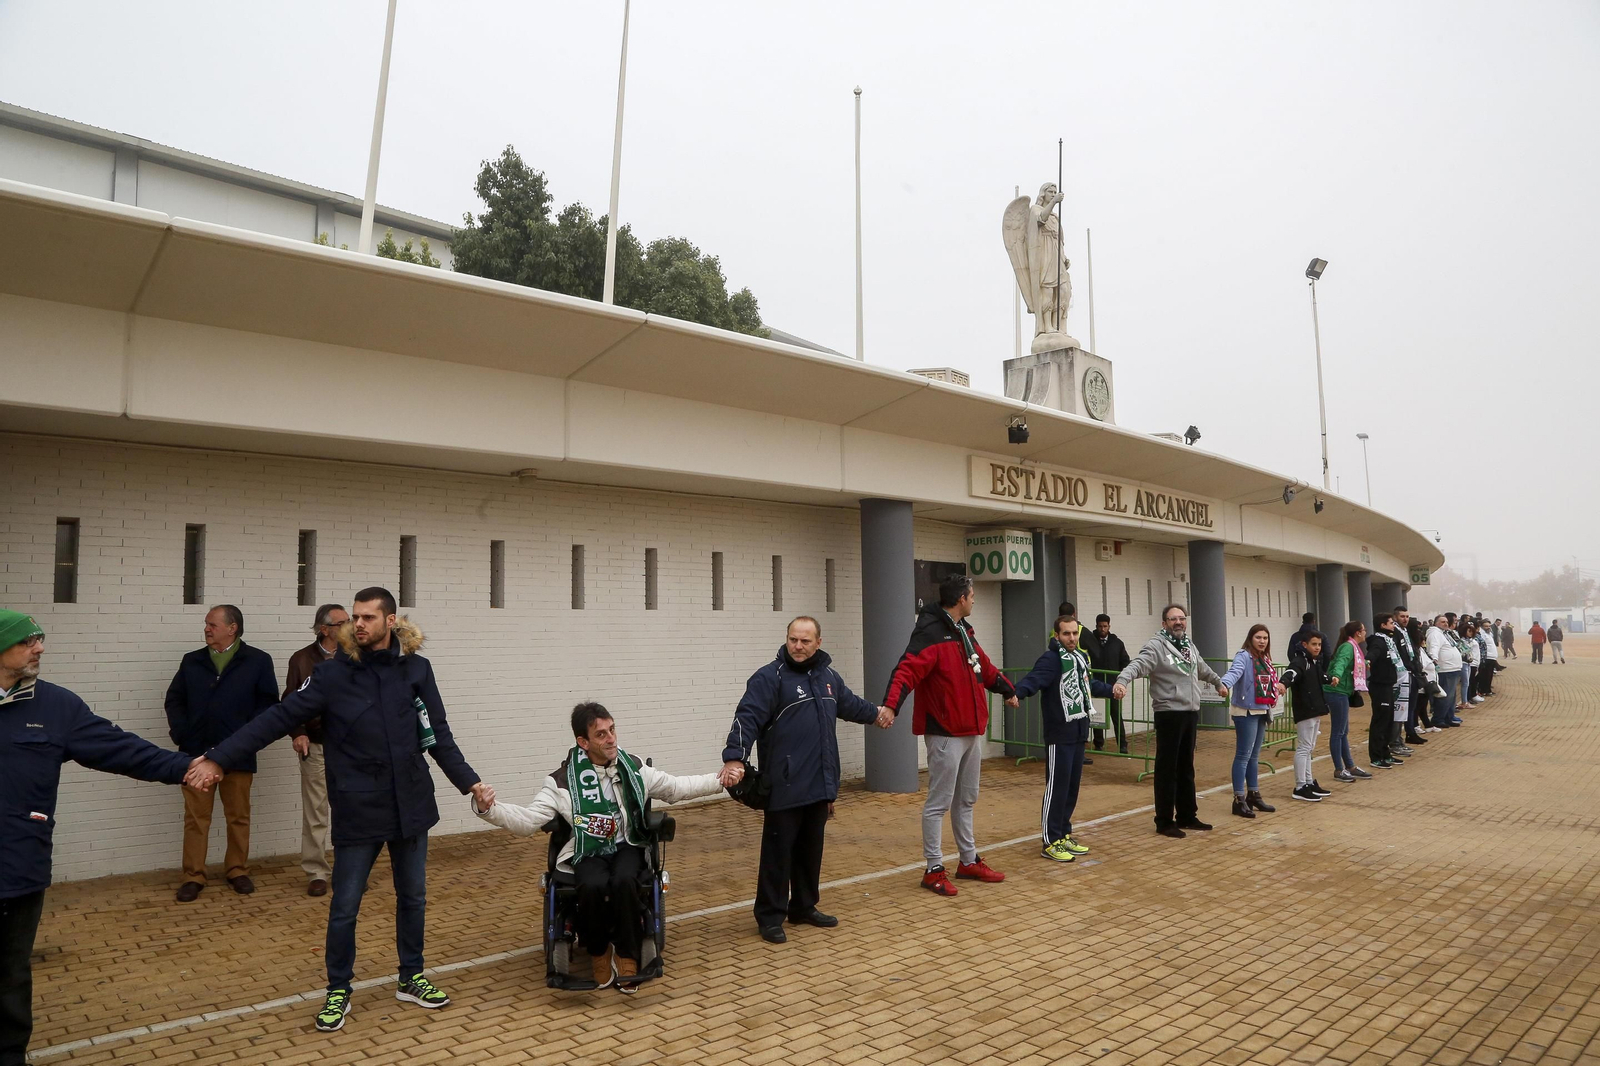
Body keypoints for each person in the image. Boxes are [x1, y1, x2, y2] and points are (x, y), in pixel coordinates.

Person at [185, 587, 495, 1033]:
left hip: (411, 802)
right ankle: (338, 989)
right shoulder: (332, 674)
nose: (358, 624)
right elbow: (275, 718)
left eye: (368, 617)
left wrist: (471, 783)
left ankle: (411, 977)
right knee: (346, 904)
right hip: (358, 805)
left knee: (413, 897)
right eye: (355, 617)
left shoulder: (416, 670)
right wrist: (219, 757)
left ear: (391, 621)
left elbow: (437, 735)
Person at [1, 611, 198, 1064]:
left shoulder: (56, 707)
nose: (40, 648)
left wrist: (187, 767)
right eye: (28, 641)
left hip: (18, 866)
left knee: (9, 975)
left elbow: (121, 749)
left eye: (39, 639)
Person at [476, 702, 725, 991]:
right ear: (583, 742)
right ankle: (599, 951)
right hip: (587, 849)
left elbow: (677, 788)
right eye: (601, 734)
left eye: (612, 730)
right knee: (592, 884)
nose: (611, 739)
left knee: (625, 880)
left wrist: (722, 781)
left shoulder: (633, 768)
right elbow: (528, 821)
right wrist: (489, 809)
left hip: (627, 844)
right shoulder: (561, 782)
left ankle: (627, 954)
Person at [723, 616, 888, 942]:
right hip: (784, 784)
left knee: (810, 850)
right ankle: (770, 916)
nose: (798, 646)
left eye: (805, 641)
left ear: (818, 643)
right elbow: (747, 717)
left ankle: (803, 906)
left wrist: (877, 714)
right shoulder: (769, 678)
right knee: (778, 853)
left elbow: (850, 704)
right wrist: (735, 757)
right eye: (793, 640)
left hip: (820, 783)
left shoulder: (828, 678)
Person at [883, 574, 1018, 896]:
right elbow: (906, 670)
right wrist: (891, 705)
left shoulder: (963, 631)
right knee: (938, 803)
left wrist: (1007, 689)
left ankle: (968, 861)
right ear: (961, 599)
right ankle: (933, 869)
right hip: (944, 732)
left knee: (966, 799)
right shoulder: (930, 633)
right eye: (972, 596)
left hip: (971, 729)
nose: (974, 600)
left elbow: (984, 668)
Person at [163, 605, 278, 901]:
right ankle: (193, 876)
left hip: (237, 755)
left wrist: (247, 739)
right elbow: (174, 700)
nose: (206, 629)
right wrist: (182, 734)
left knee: (238, 816)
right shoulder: (192, 661)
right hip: (196, 754)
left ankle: (237, 870)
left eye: (212, 624)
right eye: (206, 624)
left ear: (232, 627)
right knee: (196, 818)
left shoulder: (258, 661)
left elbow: (268, 706)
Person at [1111, 604, 1228, 838]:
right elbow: (1138, 664)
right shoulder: (1157, 646)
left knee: (1186, 767)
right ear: (1164, 623)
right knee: (1167, 769)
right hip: (1169, 713)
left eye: (1181, 618)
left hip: (1190, 712)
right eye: (1173, 619)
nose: (1178, 622)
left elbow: (1201, 668)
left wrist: (1218, 682)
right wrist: (1122, 681)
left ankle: (1187, 816)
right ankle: (1164, 821)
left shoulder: (1188, 645)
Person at [1011, 615, 1113, 861]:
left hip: (1078, 732)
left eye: (1075, 633)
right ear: (1057, 636)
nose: (1072, 638)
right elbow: (1034, 679)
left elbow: (1087, 685)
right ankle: (1050, 841)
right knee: (1056, 788)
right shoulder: (1051, 659)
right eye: (1066, 634)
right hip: (1059, 733)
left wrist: (1112, 690)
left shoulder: (1079, 658)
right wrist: (1016, 693)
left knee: (1071, 787)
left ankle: (1063, 833)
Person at [282, 603, 349, 897]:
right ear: (324, 629)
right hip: (316, 744)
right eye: (342, 623)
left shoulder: (357, 656)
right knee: (316, 812)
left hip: (349, 746)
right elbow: (290, 701)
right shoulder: (301, 659)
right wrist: (298, 732)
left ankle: (350, 871)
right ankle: (316, 872)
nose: (350, 627)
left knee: (349, 809)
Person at [1218, 624, 1286, 819]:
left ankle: (1253, 795)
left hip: (1262, 709)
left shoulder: (1264, 658)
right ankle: (1238, 799)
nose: (1262, 641)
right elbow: (1235, 672)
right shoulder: (1244, 656)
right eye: (1258, 637)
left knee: (1254, 756)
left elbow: (1268, 681)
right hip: (1245, 710)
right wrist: (1224, 684)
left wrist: (1278, 686)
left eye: (1265, 638)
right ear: (1250, 638)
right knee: (1243, 755)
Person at [1285, 631, 1333, 802]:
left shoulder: (1314, 661)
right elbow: (1291, 673)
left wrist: (1330, 679)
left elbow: (1319, 677)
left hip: (1315, 709)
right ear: (1305, 645)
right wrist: (1283, 683)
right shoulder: (1300, 661)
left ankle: (1308, 782)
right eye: (1314, 644)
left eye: (1319, 644)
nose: (1317, 647)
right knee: (1304, 747)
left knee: (1309, 747)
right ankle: (1300, 786)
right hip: (1305, 709)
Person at [1323, 621, 1371, 783]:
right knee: (1338, 732)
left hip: (1342, 691)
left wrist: (1365, 663)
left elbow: (1352, 662)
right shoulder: (1348, 647)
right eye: (1364, 630)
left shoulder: (1352, 647)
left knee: (1343, 731)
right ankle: (1339, 769)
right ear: (1358, 633)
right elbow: (1341, 662)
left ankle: (1349, 766)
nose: (1365, 632)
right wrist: (1336, 676)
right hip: (1336, 691)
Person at [1082, 614, 1131, 754]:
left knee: (1116, 715)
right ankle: (1098, 743)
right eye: (1100, 626)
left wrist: (1120, 678)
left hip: (1112, 685)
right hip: (1095, 684)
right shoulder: (1090, 642)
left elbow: (1125, 661)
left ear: (1109, 626)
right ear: (1096, 626)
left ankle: (1122, 745)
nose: (1102, 629)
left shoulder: (1117, 643)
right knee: (1097, 714)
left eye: (1105, 626)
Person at [1365, 614, 1408, 769]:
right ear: (1383, 625)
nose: (1393, 626)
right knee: (1380, 721)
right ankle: (1376, 757)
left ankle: (1386, 753)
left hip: (1389, 684)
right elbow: (1373, 653)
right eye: (1391, 623)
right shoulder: (1378, 641)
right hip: (1380, 686)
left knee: (1389, 721)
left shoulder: (1390, 641)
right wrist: (1368, 660)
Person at [1391, 608, 1429, 746]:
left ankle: (1410, 732)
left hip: (1412, 673)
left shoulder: (1406, 632)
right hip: (1403, 675)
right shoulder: (1395, 633)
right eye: (1402, 616)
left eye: (1407, 616)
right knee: (1402, 707)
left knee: (1411, 706)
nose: (1405, 619)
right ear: (1395, 617)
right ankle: (1398, 738)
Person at [1425, 615, 1466, 726]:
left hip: (1453, 668)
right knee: (1445, 696)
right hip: (1445, 669)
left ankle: (1449, 717)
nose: (1446, 624)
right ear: (1436, 623)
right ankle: (1438, 719)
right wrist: (1434, 660)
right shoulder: (1435, 633)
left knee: (1451, 697)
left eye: (1447, 622)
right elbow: (1434, 648)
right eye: (1442, 622)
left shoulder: (1445, 633)